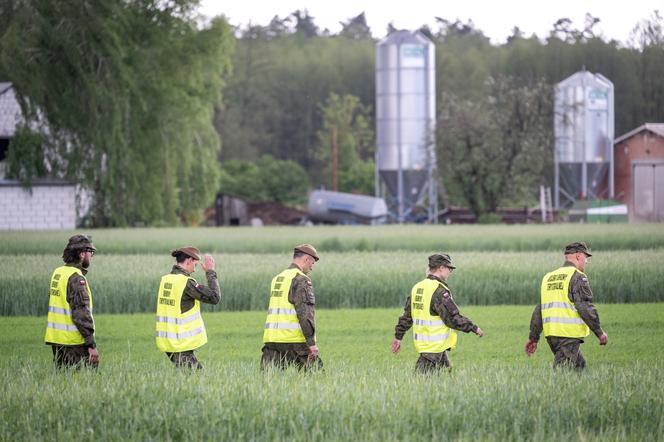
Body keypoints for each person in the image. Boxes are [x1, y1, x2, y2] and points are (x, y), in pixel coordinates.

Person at [391, 253, 484, 372]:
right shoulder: (439, 291)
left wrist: (398, 337)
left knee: (445, 378)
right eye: (449, 268)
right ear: (441, 268)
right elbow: (452, 318)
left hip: (430, 347)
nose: (451, 271)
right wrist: (473, 327)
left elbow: (407, 316)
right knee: (421, 382)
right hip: (433, 350)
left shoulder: (418, 288)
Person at [525, 242, 608, 370]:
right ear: (579, 256)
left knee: (579, 366)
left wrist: (533, 338)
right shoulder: (577, 277)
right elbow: (584, 306)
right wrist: (599, 332)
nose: (586, 262)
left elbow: (539, 310)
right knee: (562, 372)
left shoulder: (549, 277)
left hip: (552, 335)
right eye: (586, 258)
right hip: (568, 335)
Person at [155, 246, 220, 369]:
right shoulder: (186, 282)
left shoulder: (166, 280)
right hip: (180, 343)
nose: (195, 270)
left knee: (189, 378)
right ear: (189, 260)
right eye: (195, 265)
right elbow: (214, 297)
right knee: (197, 378)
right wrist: (210, 272)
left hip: (169, 342)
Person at [261, 244, 322, 371]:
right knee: (315, 381)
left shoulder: (278, 278)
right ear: (306, 259)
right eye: (312, 262)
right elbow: (304, 314)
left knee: (269, 386)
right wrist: (311, 343)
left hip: (272, 341)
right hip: (294, 343)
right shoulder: (300, 279)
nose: (312, 267)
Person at [44, 234, 99, 368]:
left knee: (63, 382)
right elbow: (81, 313)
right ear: (81, 254)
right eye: (89, 252)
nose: (91, 256)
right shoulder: (76, 278)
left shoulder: (58, 273)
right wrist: (91, 344)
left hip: (57, 341)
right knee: (85, 383)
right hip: (74, 344)